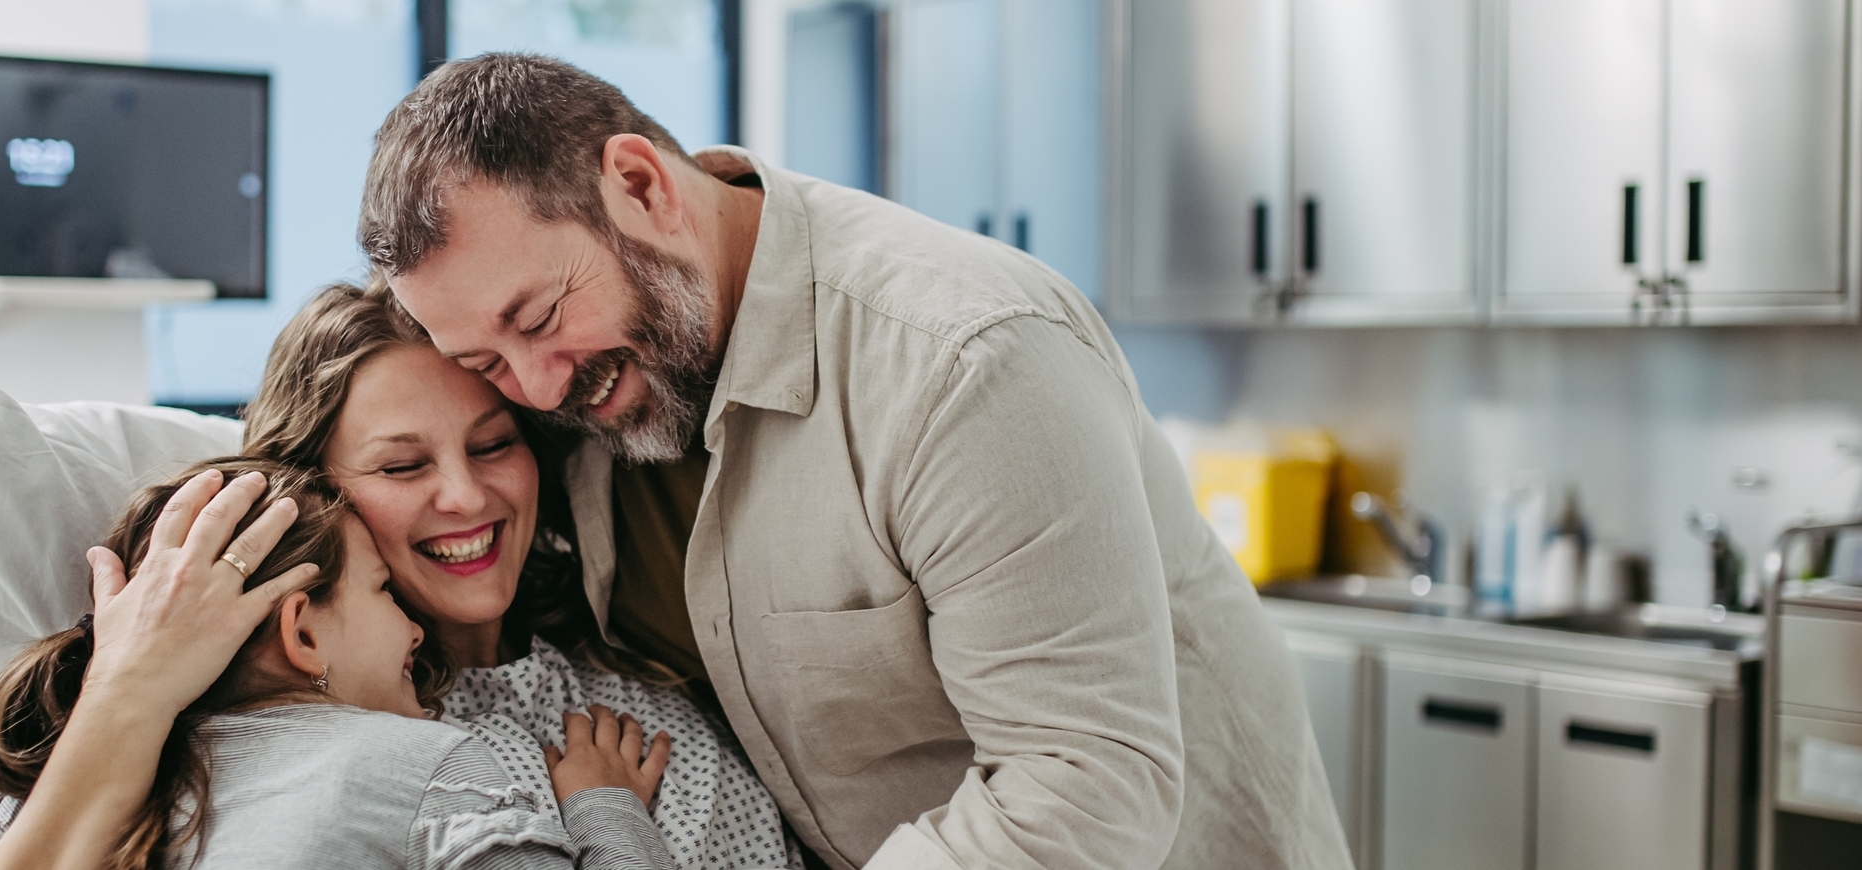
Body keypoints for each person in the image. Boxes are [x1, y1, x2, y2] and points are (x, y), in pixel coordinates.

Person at [359, 54, 1351, 869]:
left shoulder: (963, 360)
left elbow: (1083, 788)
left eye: (539, 319)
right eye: (485, 359)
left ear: (640, 185)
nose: (532, 388)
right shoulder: (581, 396)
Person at [0, 285, 799, 870]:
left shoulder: (640, 729)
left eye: (495, 444)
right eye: (401, 465)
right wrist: (123, 692)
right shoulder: (99, 730)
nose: (466, 496)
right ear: (310, 493)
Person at [0, 456, 679, 870]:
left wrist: (109, 690)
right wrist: (607, 810)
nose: (416, 630)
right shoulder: (431, 768)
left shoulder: (27, 783)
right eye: (383, 592)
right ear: (301, 633)